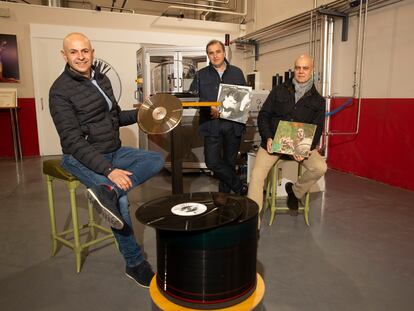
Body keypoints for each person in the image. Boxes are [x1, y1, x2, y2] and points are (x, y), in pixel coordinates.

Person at [49, 33, 164, 288]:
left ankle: (107, 192)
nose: (80, 57)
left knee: (155, 159)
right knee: (121, 203)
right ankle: (134, 264)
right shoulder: (59, 91)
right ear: (64, 55)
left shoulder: (101, 78)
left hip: (113, 149)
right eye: (74, 52)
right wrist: (109, 170)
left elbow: (113, 117)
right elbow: (72, 142)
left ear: (92, 51)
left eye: (85, 51)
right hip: (79, 157)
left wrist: (144, 112)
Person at [248, 54, 327, 221]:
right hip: (273, 142)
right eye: (298, 68)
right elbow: (264, 116)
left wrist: (305, 149)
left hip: (299, 145)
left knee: (320, 167)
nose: (301, 71)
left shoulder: (318, 101)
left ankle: (295, 191)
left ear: (312, 71)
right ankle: (253, 224)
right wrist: (268, 137)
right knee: (256, 175)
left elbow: (318, 128)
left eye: (305, 68)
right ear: (294, 69)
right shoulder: (279, 90)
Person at [190, 39, 248, 194]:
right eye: (211, 53)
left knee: (229, 163)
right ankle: (239, 187)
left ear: (224, 52)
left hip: (232, 124)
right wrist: (208, 106)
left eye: (218, 52)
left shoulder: (237, 72)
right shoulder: (201, 75)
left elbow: (244, 98)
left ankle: (225, 199)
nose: (215, 56)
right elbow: (193, 99)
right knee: (212, 162)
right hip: (212, 124)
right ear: (208, 55)